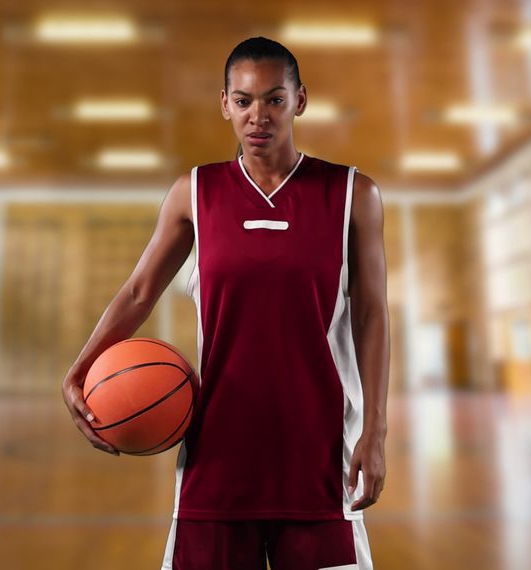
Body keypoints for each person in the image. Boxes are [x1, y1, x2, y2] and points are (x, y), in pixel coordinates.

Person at [62, 36, 390, 569]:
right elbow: (139, 291)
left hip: (319, 456)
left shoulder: (353, 194)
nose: (258, 116)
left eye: (274, 99)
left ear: (300, 100)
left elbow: (373, 315)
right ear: (225, 104)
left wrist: (375, 432)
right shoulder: (194, 192)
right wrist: (78, 370)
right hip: (216, 457)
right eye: (243, 101)